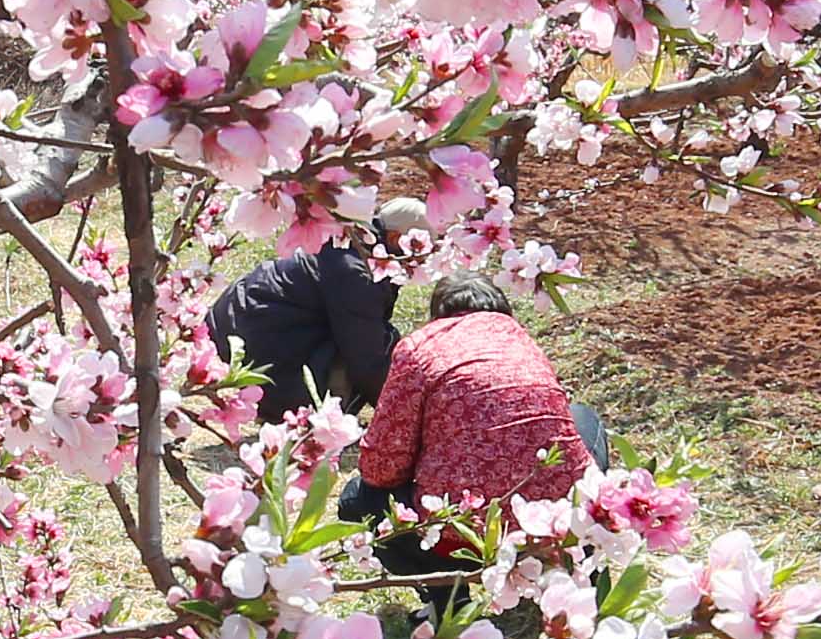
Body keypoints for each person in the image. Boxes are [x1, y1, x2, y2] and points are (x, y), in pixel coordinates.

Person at [344, 273, 587, 570]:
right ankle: (569, 573)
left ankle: (447, 597)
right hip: (558, 524)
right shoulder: (521, 340)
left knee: (358, 500)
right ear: (502, 310)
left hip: (459, 537)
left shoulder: (419, 349)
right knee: (584, 418)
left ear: (437, 314)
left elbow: (380, 469)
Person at [208, 199, 426, 418]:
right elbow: (368, 357)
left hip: (234, 324)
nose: (423, 261)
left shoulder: (344, 239)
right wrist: (403, 416)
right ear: (396, 239)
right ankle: (312, 415)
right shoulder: (356, 274)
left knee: (369, 336)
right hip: (255, 339)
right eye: (421, 251)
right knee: (374, 345)